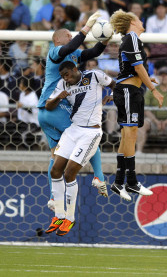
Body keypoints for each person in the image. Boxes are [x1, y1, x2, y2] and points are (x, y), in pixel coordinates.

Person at [37, 11, 110, 210]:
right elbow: (70, 46)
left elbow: (91, 53)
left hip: (44, 112)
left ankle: (53, 198)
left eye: (72, 34)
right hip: (56, 107)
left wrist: (105, 40)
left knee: (56, 154)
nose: (71, 36)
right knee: (89, 132)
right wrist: (85, 28)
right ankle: (99, 177)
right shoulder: (54, 51)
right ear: (56, 39)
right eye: (68, 34)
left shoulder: (73, 54)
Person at [45, 61, 115, 236]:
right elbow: (48, 105)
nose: (65, 78)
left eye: (67, 74)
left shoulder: (94, 75)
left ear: (75, 69)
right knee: (55, 170)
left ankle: (70, 217)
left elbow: (116, 84)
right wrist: (57, 98)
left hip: (90, 133)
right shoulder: (62, 84)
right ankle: (59, 215)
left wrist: (112, 95)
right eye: (63, 76)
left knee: (69, 173)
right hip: (73, 130)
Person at [109, 9, 164, 201]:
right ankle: (131, 181)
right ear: (131, 22)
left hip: (131, 91)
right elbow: (138, 67)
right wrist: (154, 90)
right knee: (130, 134)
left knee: (128, 135)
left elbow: (134, 69)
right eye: (138, 18)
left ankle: (118, 182)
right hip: (127, 91)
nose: (141, 20)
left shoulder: (133, 40)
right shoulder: (131, 37)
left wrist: (148, 81)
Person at [136, 66, 167, 157]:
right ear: (157, 77)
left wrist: (166, 122)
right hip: (153, 121)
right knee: (141, 124)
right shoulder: (151, 90)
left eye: (166, 75)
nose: (164, 77)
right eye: (161, 75)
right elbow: (146, 109)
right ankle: (138, 152)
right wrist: (156, 121)